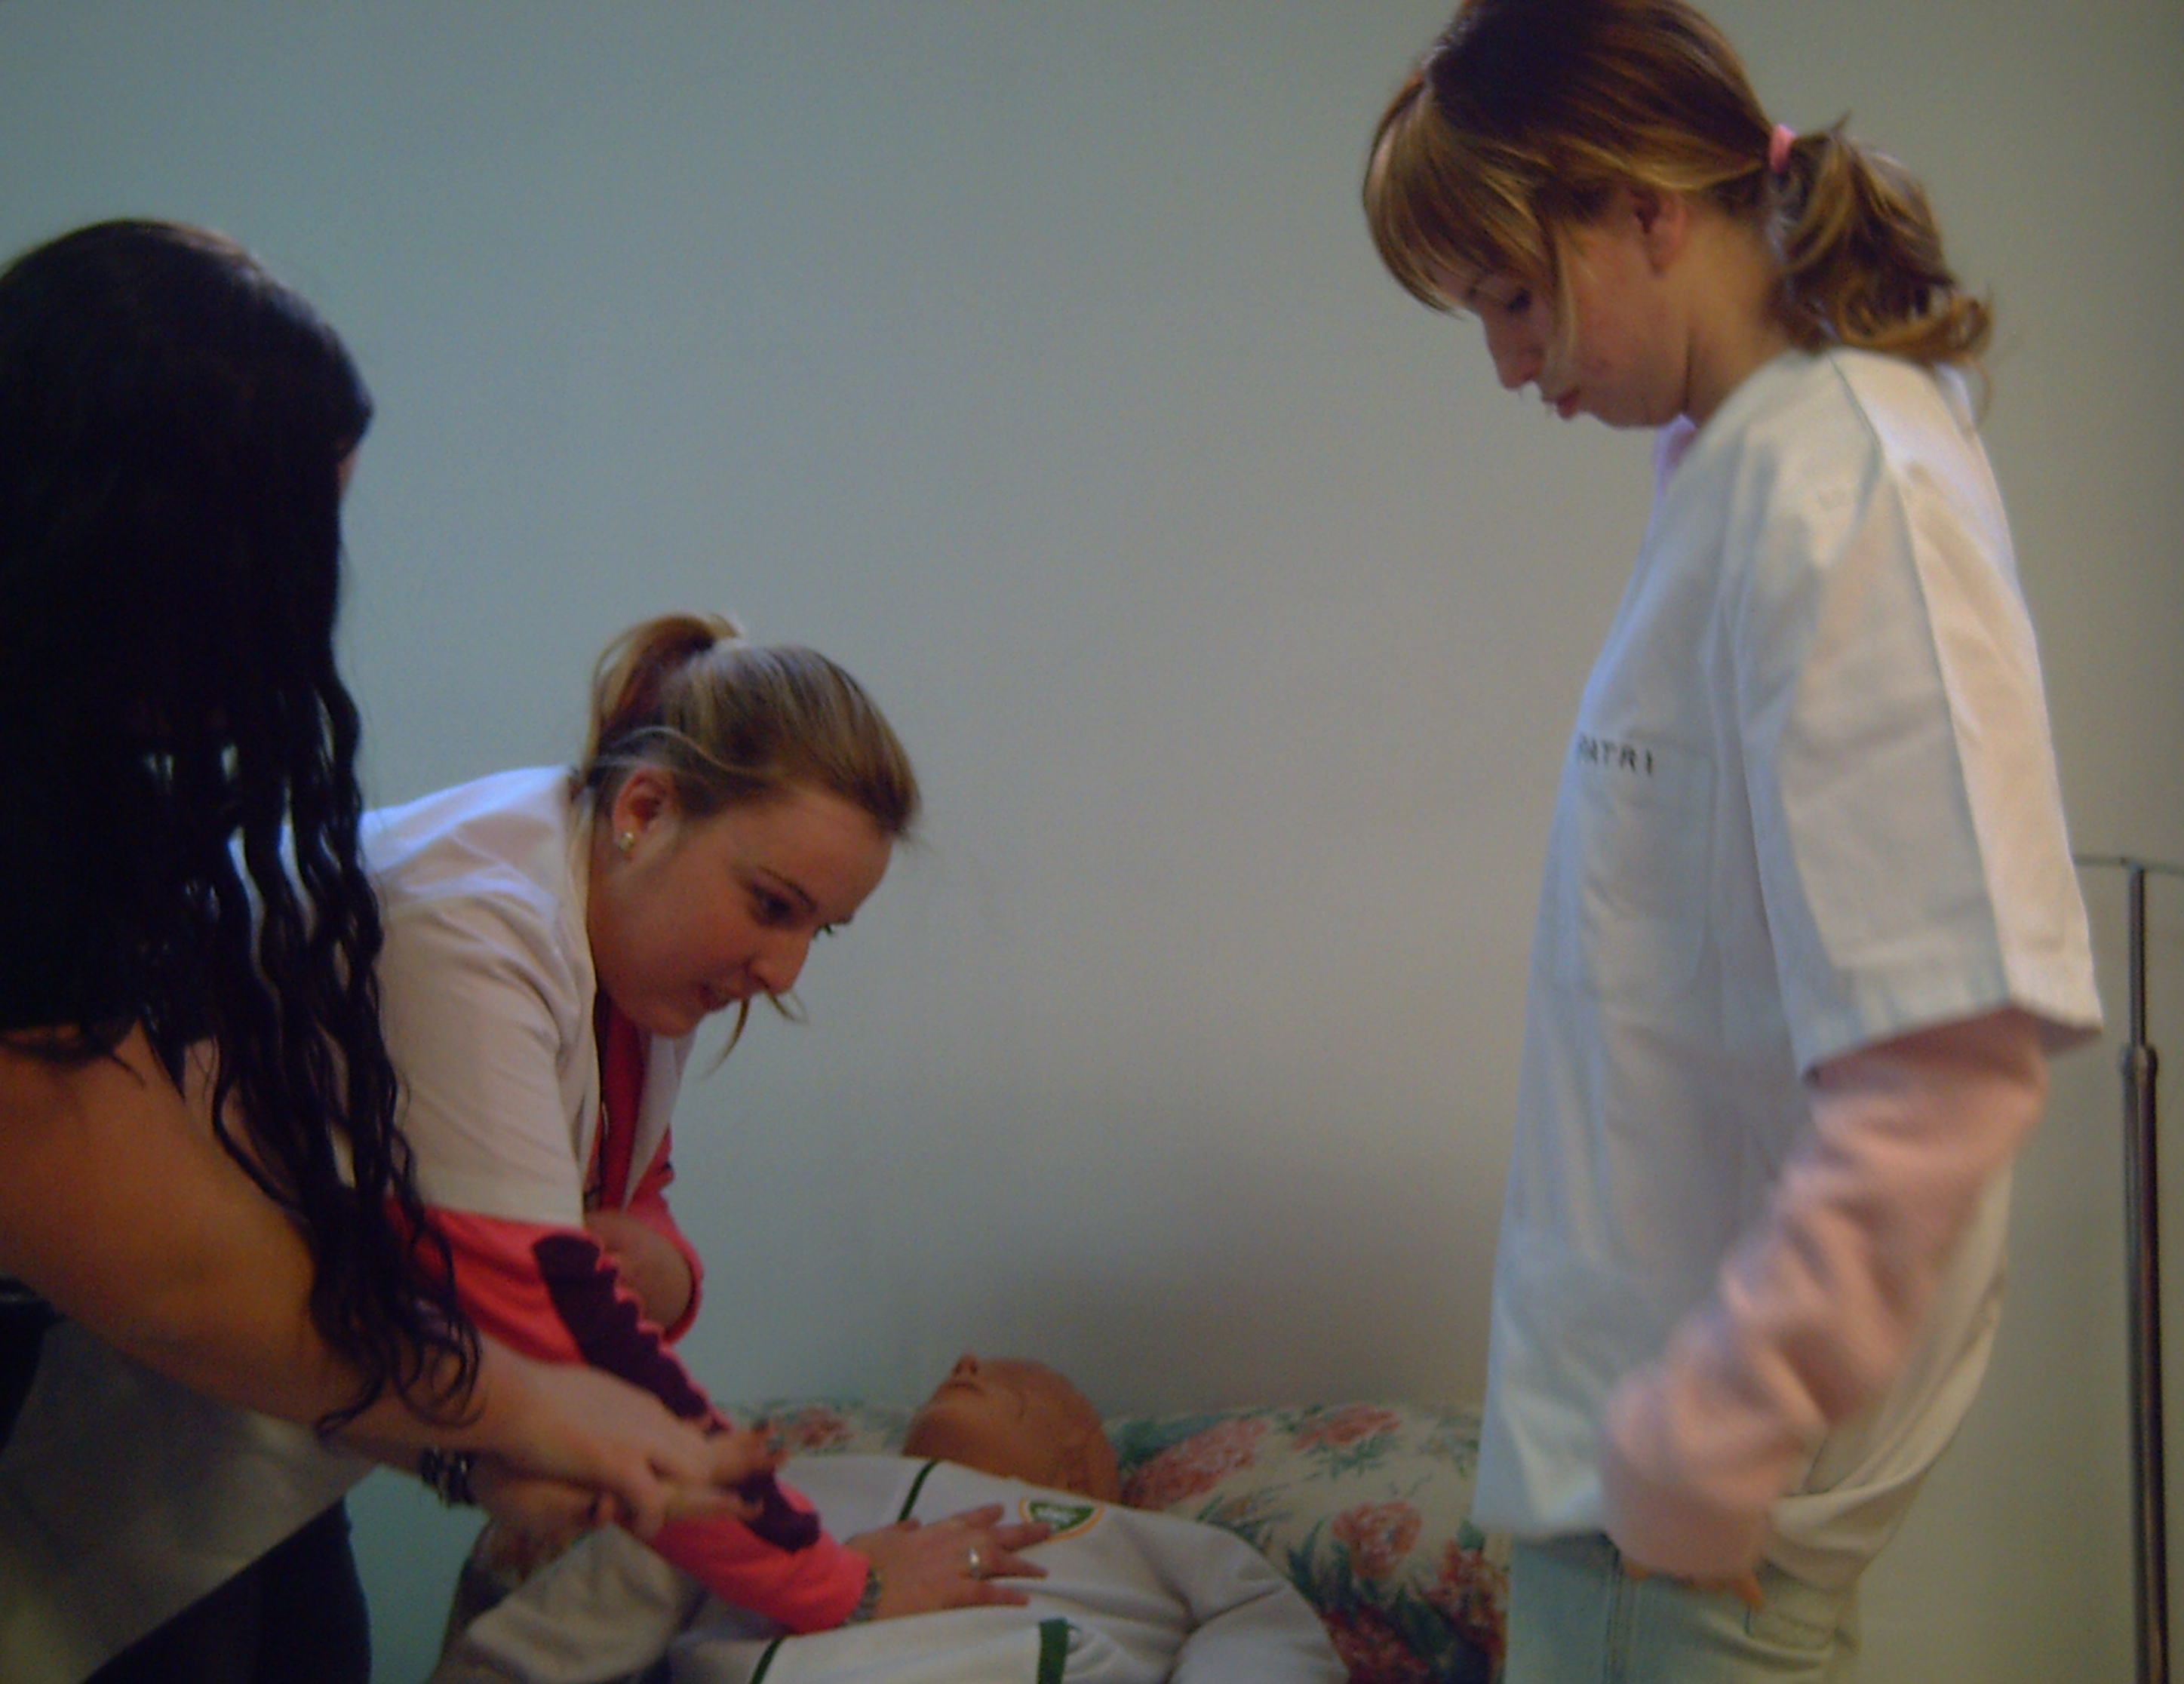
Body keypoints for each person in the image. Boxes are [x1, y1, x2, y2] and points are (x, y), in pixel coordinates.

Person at [1362, 2, 2101, 1677]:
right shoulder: (1738, 463)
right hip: (1632, 1512)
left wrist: (1724, 1421)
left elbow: (1954, 1060)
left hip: (1683, 1546)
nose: (1508, 363)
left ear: (1645, 208)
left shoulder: (1849, 484)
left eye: (1514, 296)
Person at [0, 221, 763, 1684]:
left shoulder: (89, 783)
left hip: (243, 1445)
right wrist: (529, 1412)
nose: (308, 599)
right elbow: (182, 1270)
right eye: (293, 540)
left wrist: (485, 1433)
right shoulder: (477, 910)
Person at [361, 615, 1046, 1636]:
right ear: (646, 808)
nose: (785, 971)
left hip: (285, 1441)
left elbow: (625, 1188)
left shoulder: (631, 956)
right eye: (771, 906)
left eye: (819, 931)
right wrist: (837, 1583)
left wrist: (670, 1271)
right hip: (152, 1431)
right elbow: (551, 1314)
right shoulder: (467, 927)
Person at [432, 1354, 1349, 1683]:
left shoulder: (1139, 1540)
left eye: (1016, 1381)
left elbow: (1262, 1624)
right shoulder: (792, 1485)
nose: (965, 1362)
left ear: (1082, 1466)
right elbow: (624, 1581)